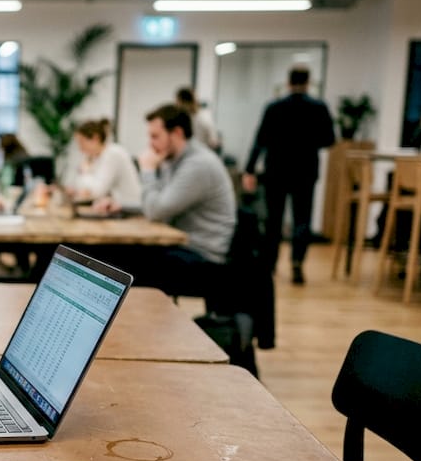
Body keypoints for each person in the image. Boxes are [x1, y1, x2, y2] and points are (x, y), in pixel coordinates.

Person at [242, 65, 336, 285]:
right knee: (302, 219)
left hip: (276, 170)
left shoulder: (274, 107)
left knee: (273, 219)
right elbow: (329, 139)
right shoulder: (318, 107)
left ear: (288, 82)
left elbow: (260, 140)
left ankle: (269, 263)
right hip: (305, 171)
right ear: (308, 82)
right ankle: (297, 263)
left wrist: (249, 168)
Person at [133, 104, 236, 297]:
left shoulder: (198, 164)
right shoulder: (175, 160)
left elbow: (156, 211)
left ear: (177, 133)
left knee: (130, 263)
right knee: (125, 257)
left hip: (204, 258)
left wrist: (147, 171)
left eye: (155, 136)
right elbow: (159, 202)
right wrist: (121, 207)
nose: (150, 144)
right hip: (185, 247)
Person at [66, 119, 141, 209]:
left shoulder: (113, 153)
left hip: (130, 210)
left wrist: (85, 172)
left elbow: (98, 191)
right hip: (111, 208)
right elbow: (80, 187)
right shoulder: (95, 158)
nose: (80, 148)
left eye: (82, 142)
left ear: (95, 138)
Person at [176, 86, 220, 153]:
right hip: (190, 153)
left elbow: (214, 142)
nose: (177, 105)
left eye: (178, 102)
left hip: (203, 154)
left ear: (185, 102)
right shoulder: (186, 117)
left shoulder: (204, 118)